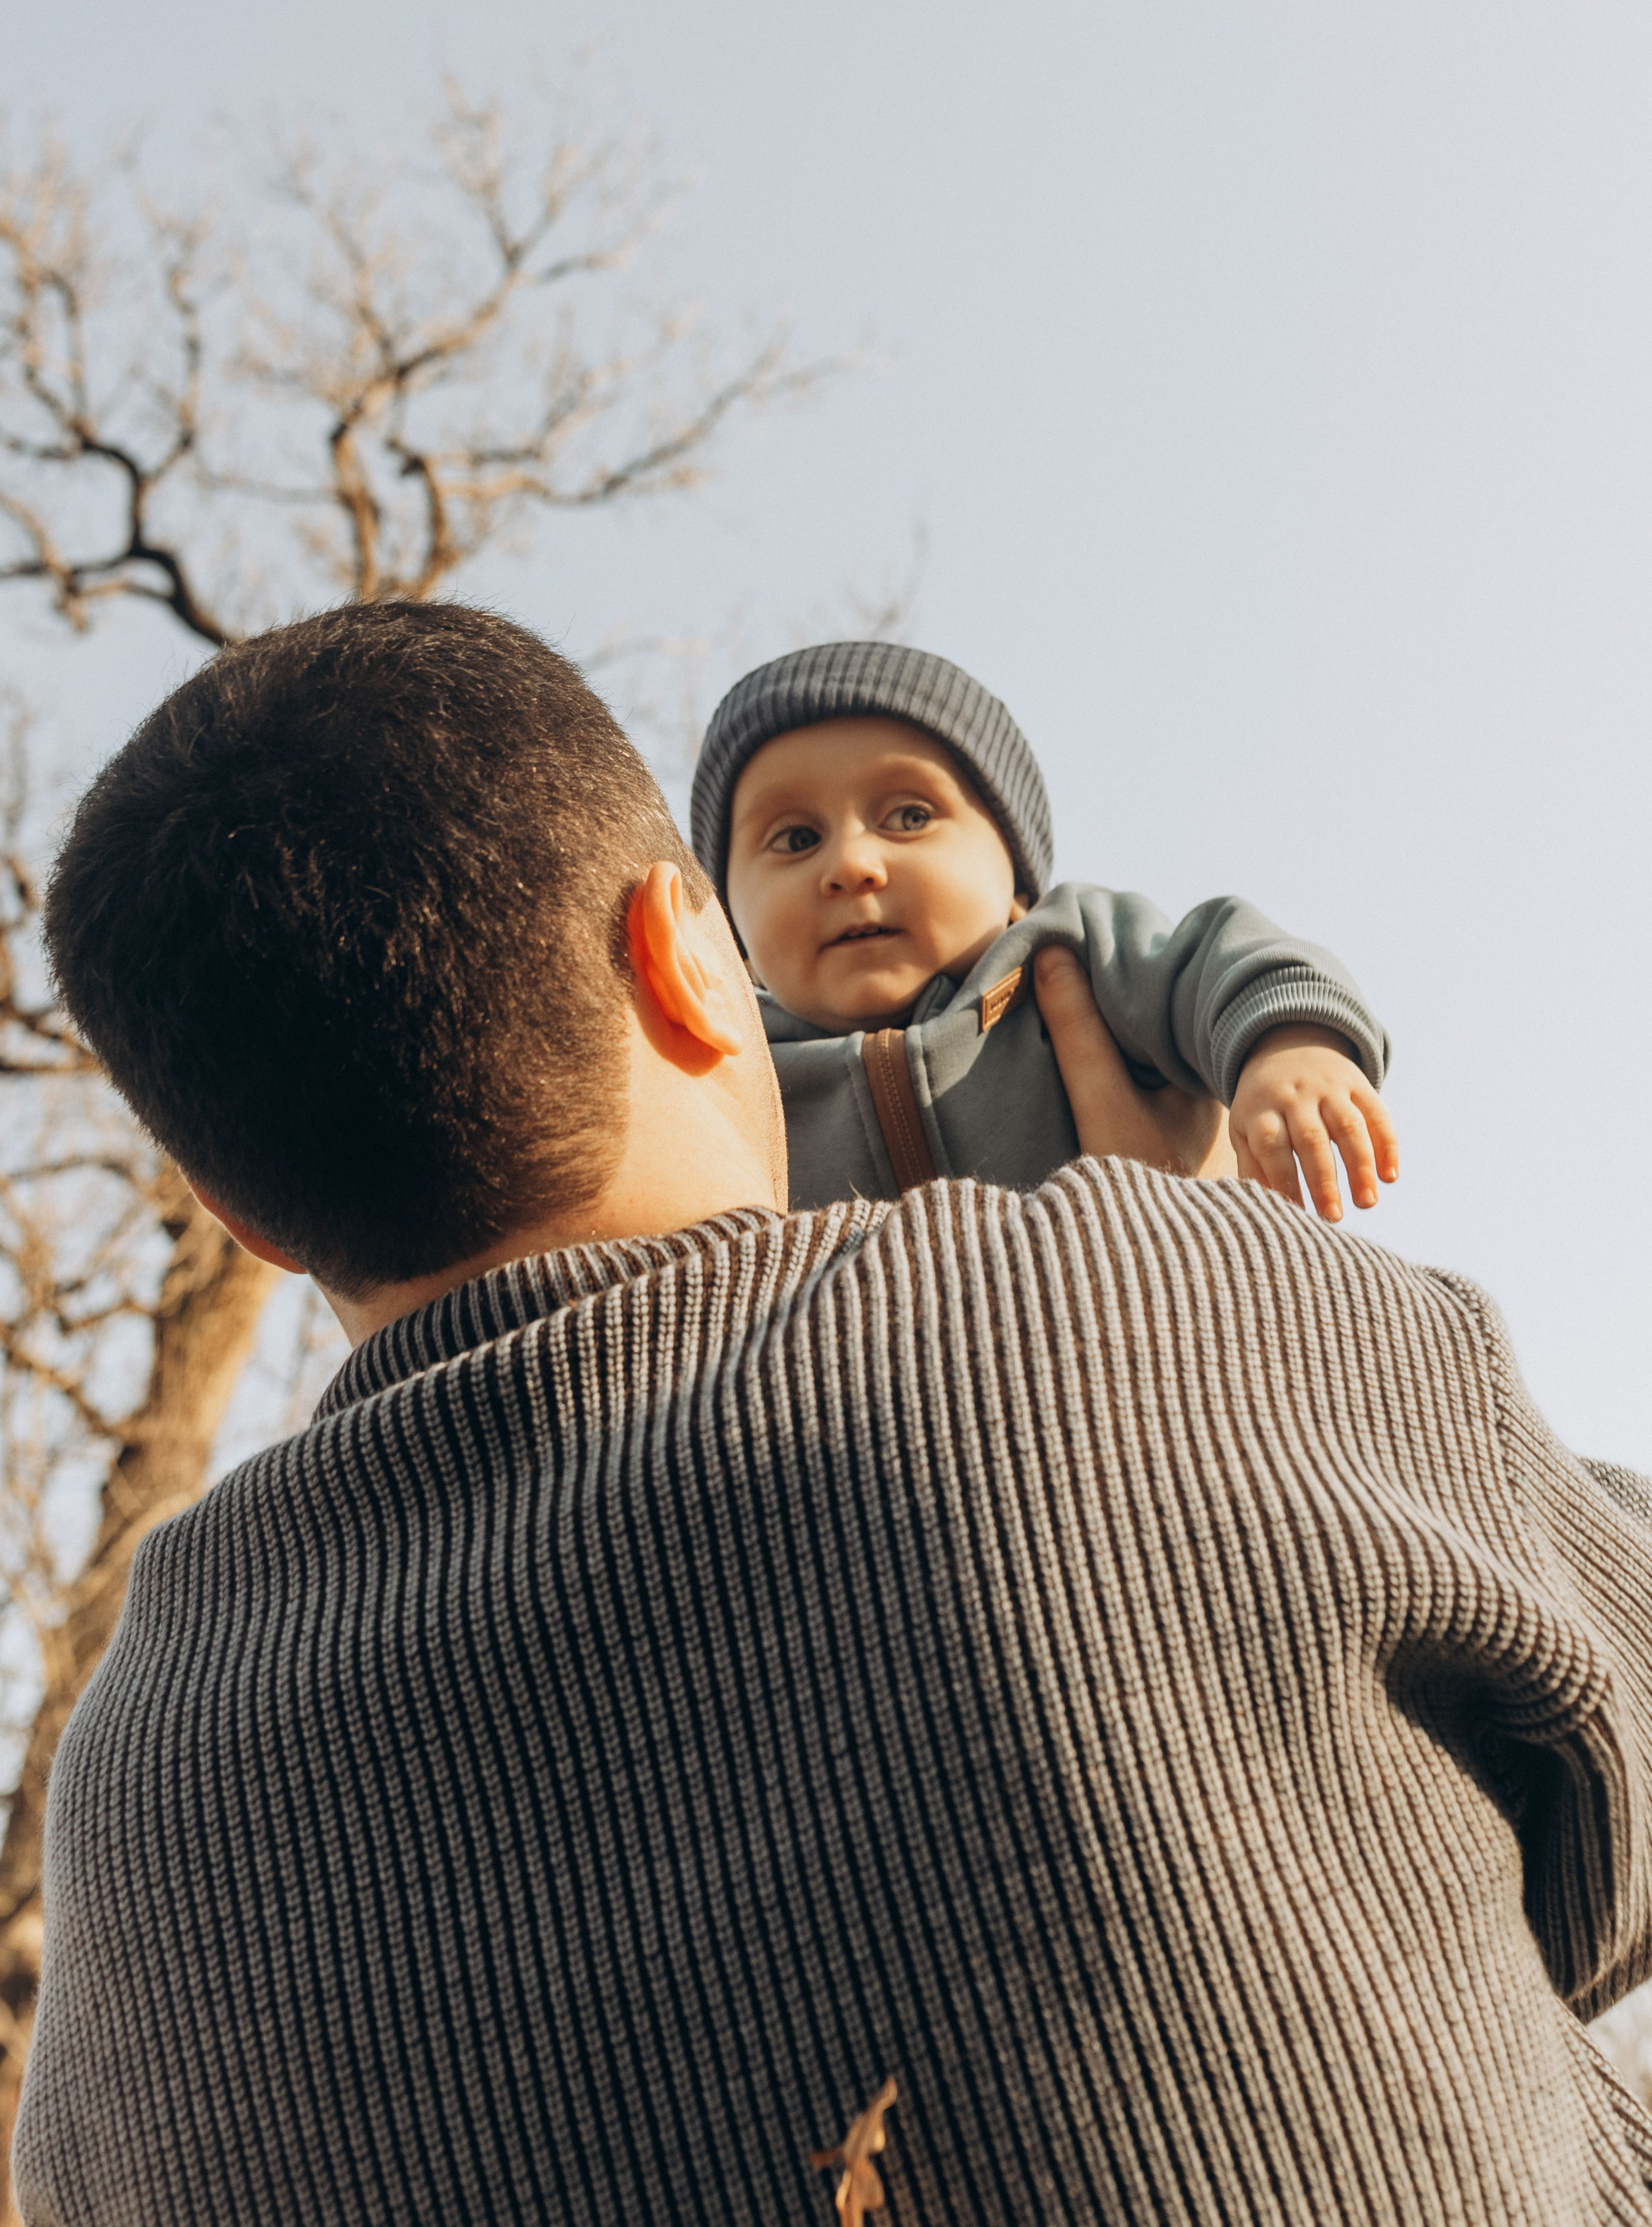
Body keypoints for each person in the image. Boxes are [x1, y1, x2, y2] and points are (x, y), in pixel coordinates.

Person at [15, 598, 1652, 2227]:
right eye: (788, 841)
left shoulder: (132, 1782)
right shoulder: (1134, 1310)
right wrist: (1210, 1283)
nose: (851, 866)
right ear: (690, 954)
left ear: (240, 1212)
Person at [689, 640, 1399, 1217]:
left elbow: (1220, 955)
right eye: (795, 839)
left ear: (1017, 889)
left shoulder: (1079, 953)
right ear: (732, 936)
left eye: (909, 817)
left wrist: (1286, 1047)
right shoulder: (724, 1075)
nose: (851, 865)